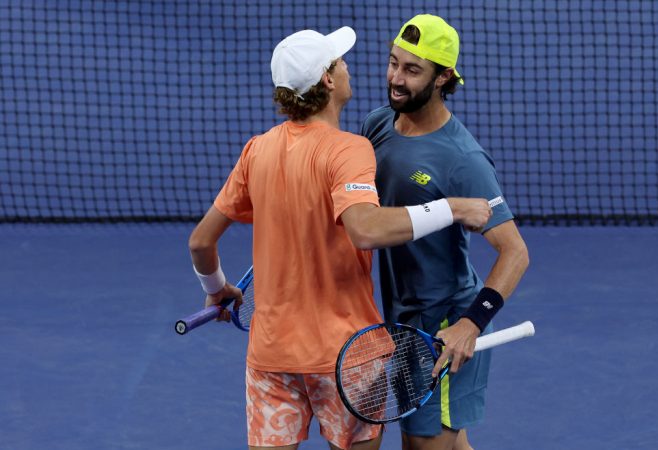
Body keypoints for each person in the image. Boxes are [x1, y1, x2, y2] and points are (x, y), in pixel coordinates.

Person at [188, 26, 493, 450]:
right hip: (349, 359)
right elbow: (365, 229)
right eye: (341, 62)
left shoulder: (255, 150)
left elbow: (200, 243)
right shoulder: (350, 149)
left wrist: (217, 289)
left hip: (271, 358)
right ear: (329, 80)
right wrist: (453, 208)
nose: (352, 68)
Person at [361, 14, 530, 450]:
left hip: (442, 327)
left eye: (412, 70)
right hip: (401, 319)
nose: (396, 79)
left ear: (443, 77)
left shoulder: (463, 160)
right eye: (393, 63)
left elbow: (515, 252)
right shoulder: (377, 124)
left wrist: (471, 324)